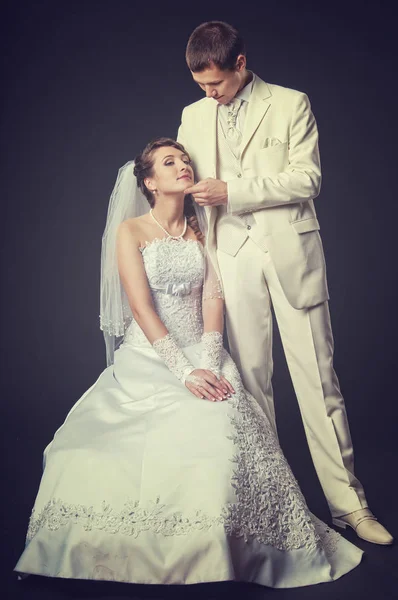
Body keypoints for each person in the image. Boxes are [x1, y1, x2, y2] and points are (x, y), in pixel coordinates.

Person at [15, 138, 364, 588]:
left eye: (184, 159)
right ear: (149, 181)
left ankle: (219, 554)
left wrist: (210, 359)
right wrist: (183, 371)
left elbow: (213, 299)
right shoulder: (132, 232)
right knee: (86, 454)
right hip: (150, 356)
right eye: (168, 162)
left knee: (217, 446)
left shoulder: (203, 228)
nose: (181, 166)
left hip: (205, 352)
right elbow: (141, 308)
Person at [177, 21, 393, 546]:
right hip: (231, 257)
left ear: (241, 64)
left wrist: (233, 190)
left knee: (319, 382)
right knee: (252, 384)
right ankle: (277, 506)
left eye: (217, 84)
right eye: (201, 85)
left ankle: (349, 507)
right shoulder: (191, 115)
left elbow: (307, 179)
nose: (210, 94)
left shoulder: (292, 103)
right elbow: (185, 185)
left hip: (291, 253)